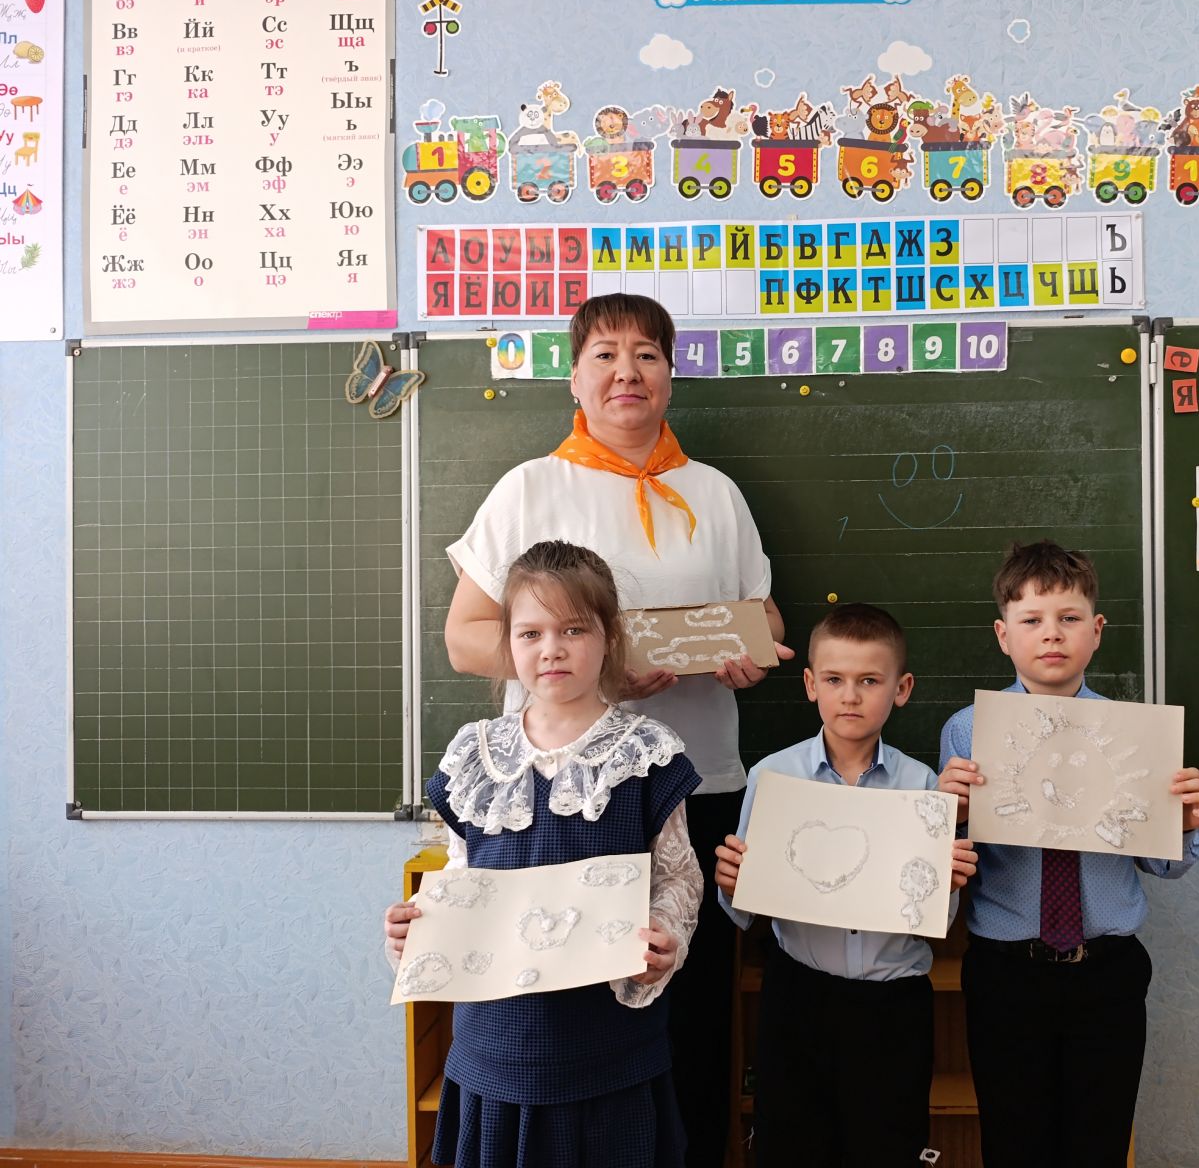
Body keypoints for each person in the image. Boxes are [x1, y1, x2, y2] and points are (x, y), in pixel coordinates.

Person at [443, 294, 787, 1167]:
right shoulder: (531, 488)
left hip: (697, 784)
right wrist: (599, 670)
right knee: (564, 1011)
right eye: (605, 354)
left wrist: (753, 653)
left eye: (646, 354)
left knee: (691, 1010)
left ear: (670, 375)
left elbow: (762, 615)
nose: (626, 372)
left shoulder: (714, 493)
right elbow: (465, 637)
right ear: (575, 377)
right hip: (558, 794)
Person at [385, 540, 704, 1168]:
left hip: (606, 1044)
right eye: (530, 633)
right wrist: (416, 932)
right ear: (509, 644)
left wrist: (667, 935)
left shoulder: (645, 753)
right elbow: (459, 873)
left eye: (573, 629)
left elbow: (678, 875)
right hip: (497, 1042)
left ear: (609, 637)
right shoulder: (474, 754)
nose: (551, 648)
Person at [937, 541, 1199, 1168]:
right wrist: (948, 817)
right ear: (1003, 635)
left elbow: (1166, 865)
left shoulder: (1136, 732)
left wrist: (1181, 825)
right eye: (1031, 620)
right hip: (1007, 971)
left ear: (1096, 632)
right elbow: (951, 862)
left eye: (1069, 618)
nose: (1051, 634)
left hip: (1107, 972)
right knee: (1013, 1144)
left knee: (1099, 1143)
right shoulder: (966, 730)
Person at [713, 603, 978, 1167]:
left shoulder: (924, 788)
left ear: (902, 689)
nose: (850, 696)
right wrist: (732, 885)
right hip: (798, 998)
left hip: (893, 1006)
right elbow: (742, 910)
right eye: (834, 680)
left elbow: (935, 918)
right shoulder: (772, 777)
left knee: (888, 1147)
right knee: (791, 1148)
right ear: (810, 685)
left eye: (869, 681)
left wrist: (947, 886)